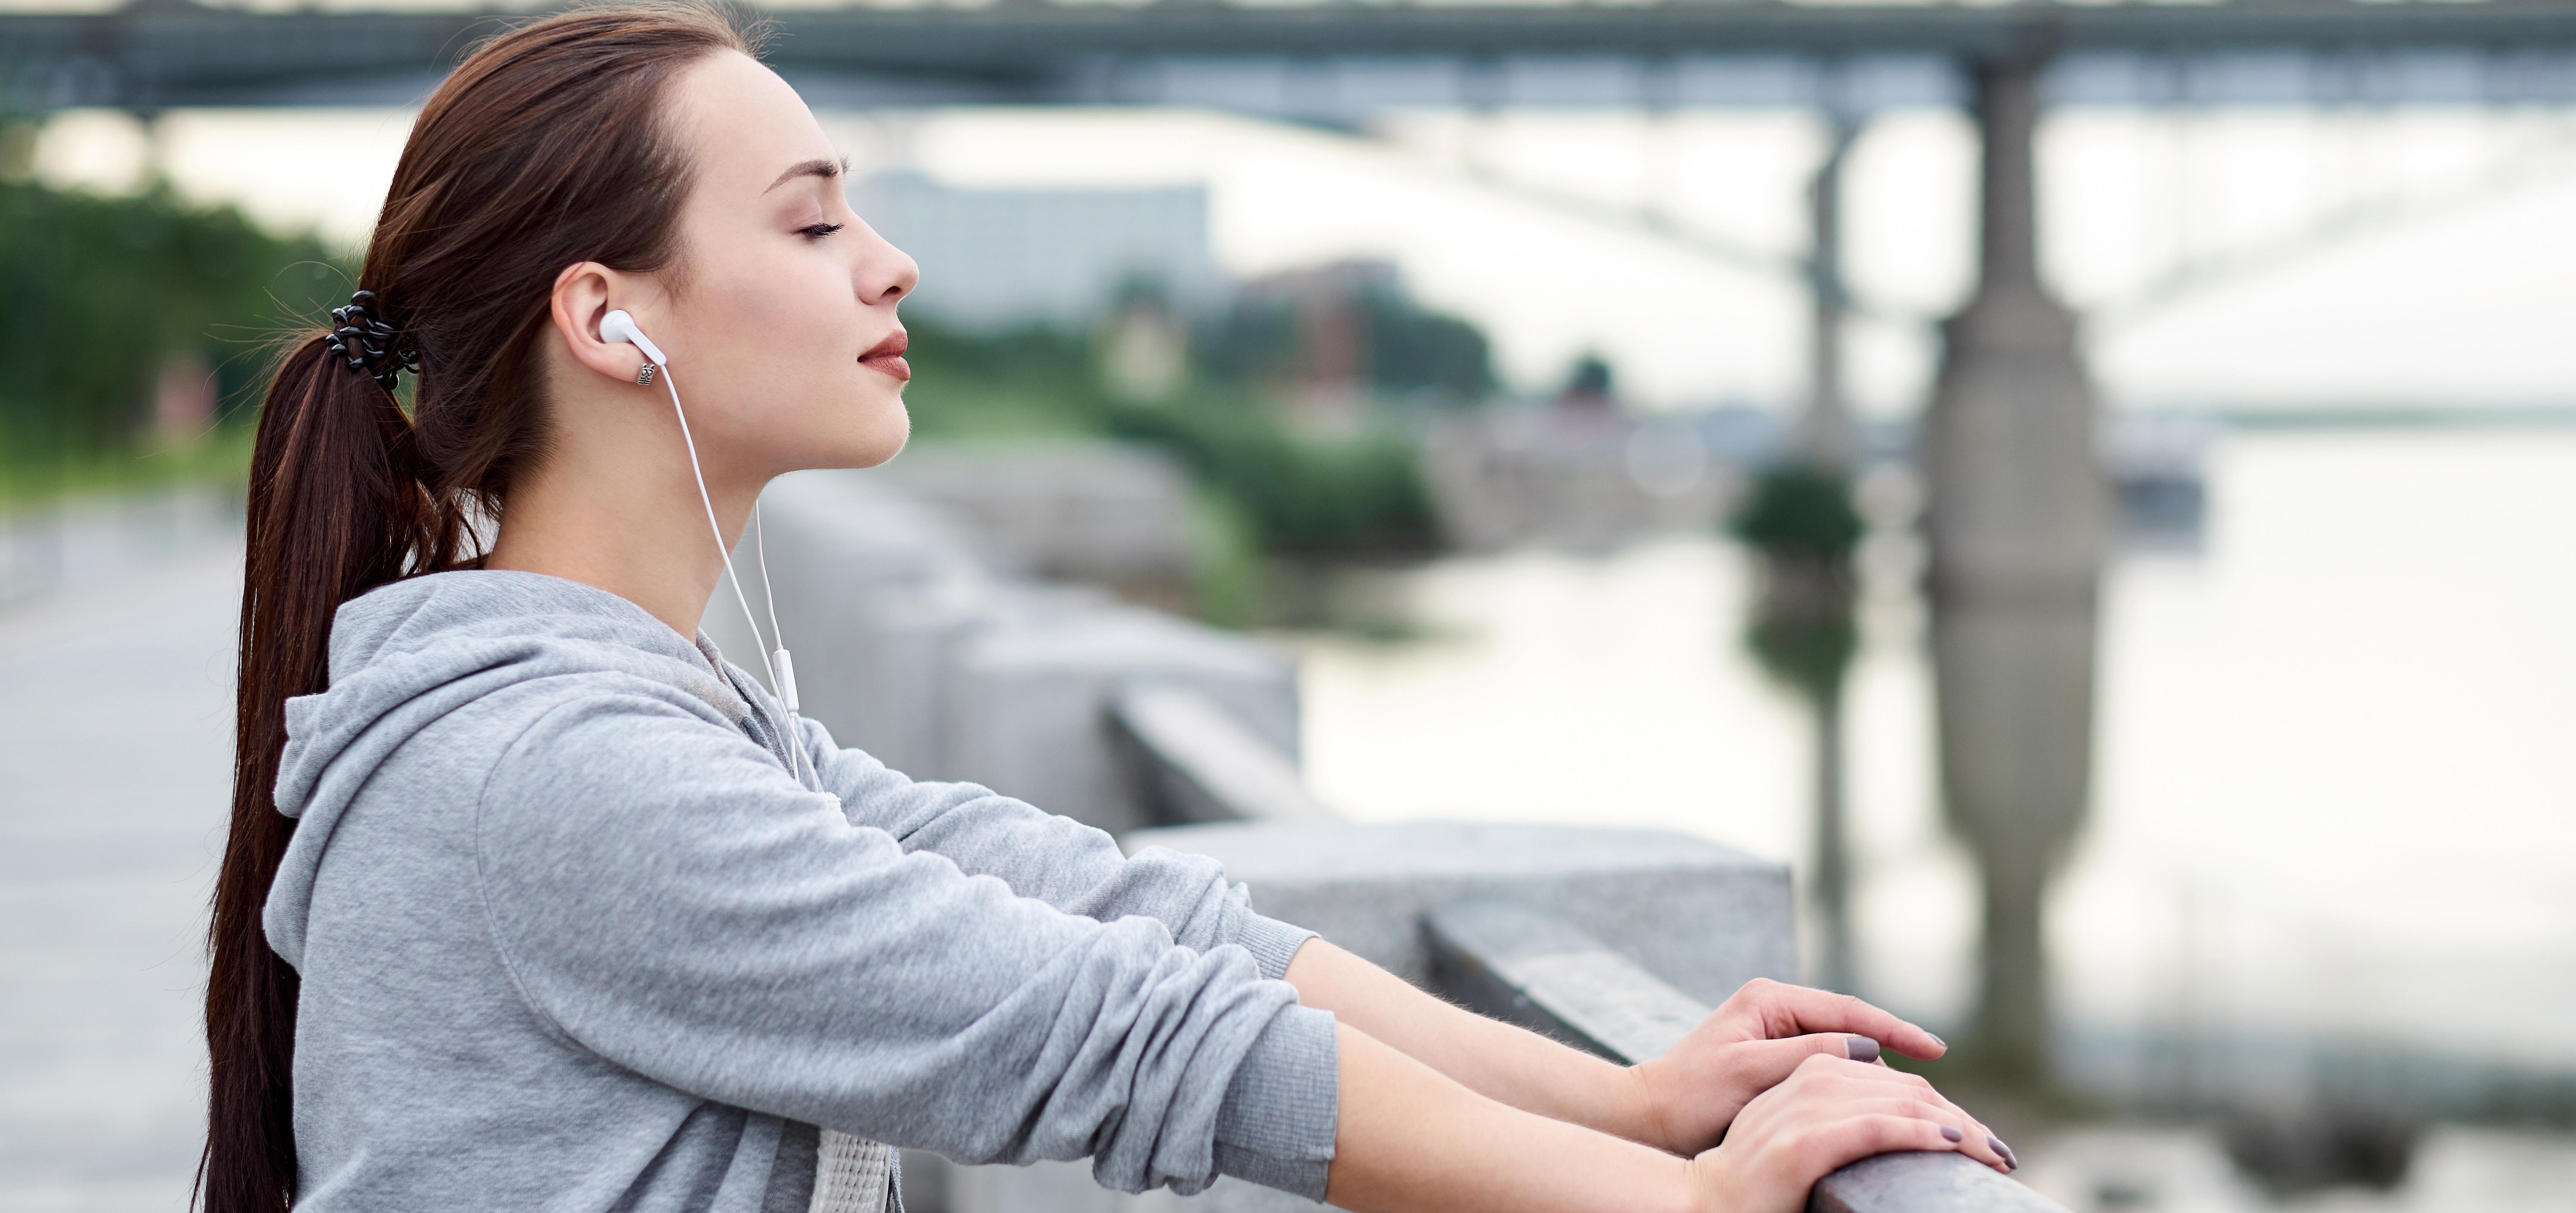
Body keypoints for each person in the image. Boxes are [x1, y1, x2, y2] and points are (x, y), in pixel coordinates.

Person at [202, 4, 2014, 1211]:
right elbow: (1106, 1026)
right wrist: (1677, 1198)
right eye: (815, 222)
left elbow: (1113, 909)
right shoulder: (560, 771)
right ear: (615, 321)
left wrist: (1612, 1101)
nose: (889, 262)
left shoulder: (641, 715)